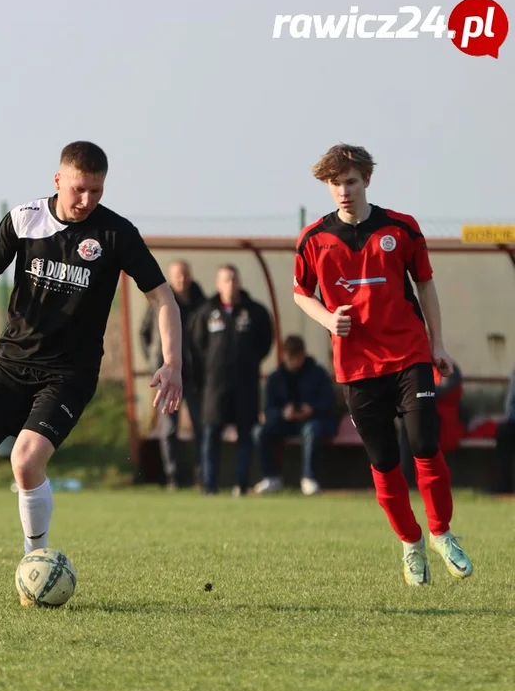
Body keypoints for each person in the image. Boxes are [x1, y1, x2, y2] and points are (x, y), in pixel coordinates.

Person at [0, 141, 184, 604]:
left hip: (68, 374)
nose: (88, 200)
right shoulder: (25, 218)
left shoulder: (116, 233)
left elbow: (163, 297)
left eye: (97, 191)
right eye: (80, 189)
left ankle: (36, 572)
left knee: (25, 461)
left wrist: (172, 363)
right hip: (11, 365)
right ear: (58, 179)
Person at [292, 142, 473, 586]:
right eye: (335, 183)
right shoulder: (314, 239)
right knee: (385, 462)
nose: (343, 191)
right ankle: (411, 543)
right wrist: (329, 320)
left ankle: (441, 532)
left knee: (425, 444)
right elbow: (301, 293)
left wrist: (439, 345)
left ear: (367, 180)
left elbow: (425, 286)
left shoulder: (402, 228)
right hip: (357, 368)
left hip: (409, 354)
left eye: (350, 181)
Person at [189, 264, 273, 496]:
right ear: (217, 284)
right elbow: (197, 345)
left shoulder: (255, 311)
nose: (230, 284)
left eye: (234, 280)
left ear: (240, 282)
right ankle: (209, 485)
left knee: (246, 434)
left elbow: (265, 342)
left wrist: (248, 361)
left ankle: (241, 484)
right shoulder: (206, 312)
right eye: (226, 280)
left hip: (245, 384)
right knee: (211, 434)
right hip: (215, 385)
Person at [139, 259, 206, 488]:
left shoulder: (202, 304)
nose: (182, 279)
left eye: (185, 274)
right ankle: (173, 476)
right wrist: (154, 362)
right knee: (169, 427)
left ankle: (202, 474)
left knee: (200, 425)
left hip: (195, 376)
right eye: (177, 275)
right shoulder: (160, 303)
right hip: (169, 375)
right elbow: (144, 334)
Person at [252, 335, 336, 496]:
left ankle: (308, 478)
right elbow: (269, 409)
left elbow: (329, 402)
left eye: (296, 358)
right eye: (290, 358)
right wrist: (283, 413)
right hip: (285, 423)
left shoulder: (318, 374)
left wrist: (312, 409)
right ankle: (271, 477)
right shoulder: (275, 378)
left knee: (311, 430)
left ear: (303, 355)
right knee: (259, 432)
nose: (293, 362)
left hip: (312, 421)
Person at [398, 363, 465, 485]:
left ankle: (423, 479)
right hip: (422, 415)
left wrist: (420, 391)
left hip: (444, 420)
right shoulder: (415, 367)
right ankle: (406, 476)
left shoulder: (447, 367)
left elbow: (444, 392)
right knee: (408, 423)